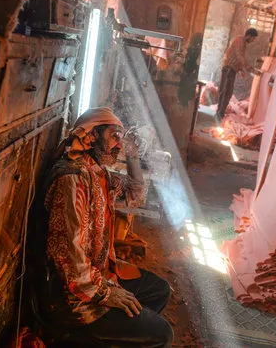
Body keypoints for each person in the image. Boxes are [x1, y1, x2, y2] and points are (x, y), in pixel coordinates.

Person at [29, 107, 173, 347]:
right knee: (162, 334)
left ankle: (107, 337)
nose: (119, 145)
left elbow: (133, 194)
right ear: (92, 135)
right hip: (72, 296)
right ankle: (72, 337)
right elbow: (67, 258)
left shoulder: (95, 171)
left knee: (159, 290)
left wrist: (133, 153)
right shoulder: (72, 179)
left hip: (97, 274)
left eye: (121, 138)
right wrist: (107, 293)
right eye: (114, 136)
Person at [216, 28, 261, 120]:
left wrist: (240, 69)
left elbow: (238, 57)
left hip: (231, 68)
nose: (253, 41)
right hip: (229, 68)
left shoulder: (242, 43)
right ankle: (219, 113)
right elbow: (239, 56)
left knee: (227, 91)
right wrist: (251, 70)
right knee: (226, 91)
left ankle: (220, 112)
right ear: (249, 36)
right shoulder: (240, 41)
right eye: (253, 39)